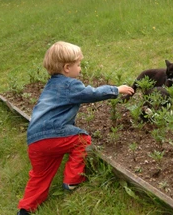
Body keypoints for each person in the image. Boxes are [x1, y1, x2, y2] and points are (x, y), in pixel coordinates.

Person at [17, 41, 134, 215]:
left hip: (34, 140)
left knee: (40, 175)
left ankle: (26, 208)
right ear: (66, 68)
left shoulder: (49, 86)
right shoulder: (69, 84)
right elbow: (92, 94)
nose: (80, 69)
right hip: (53, 135)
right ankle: (72, 180)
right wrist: (116, 89)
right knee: (82, 140)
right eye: (78, 65)